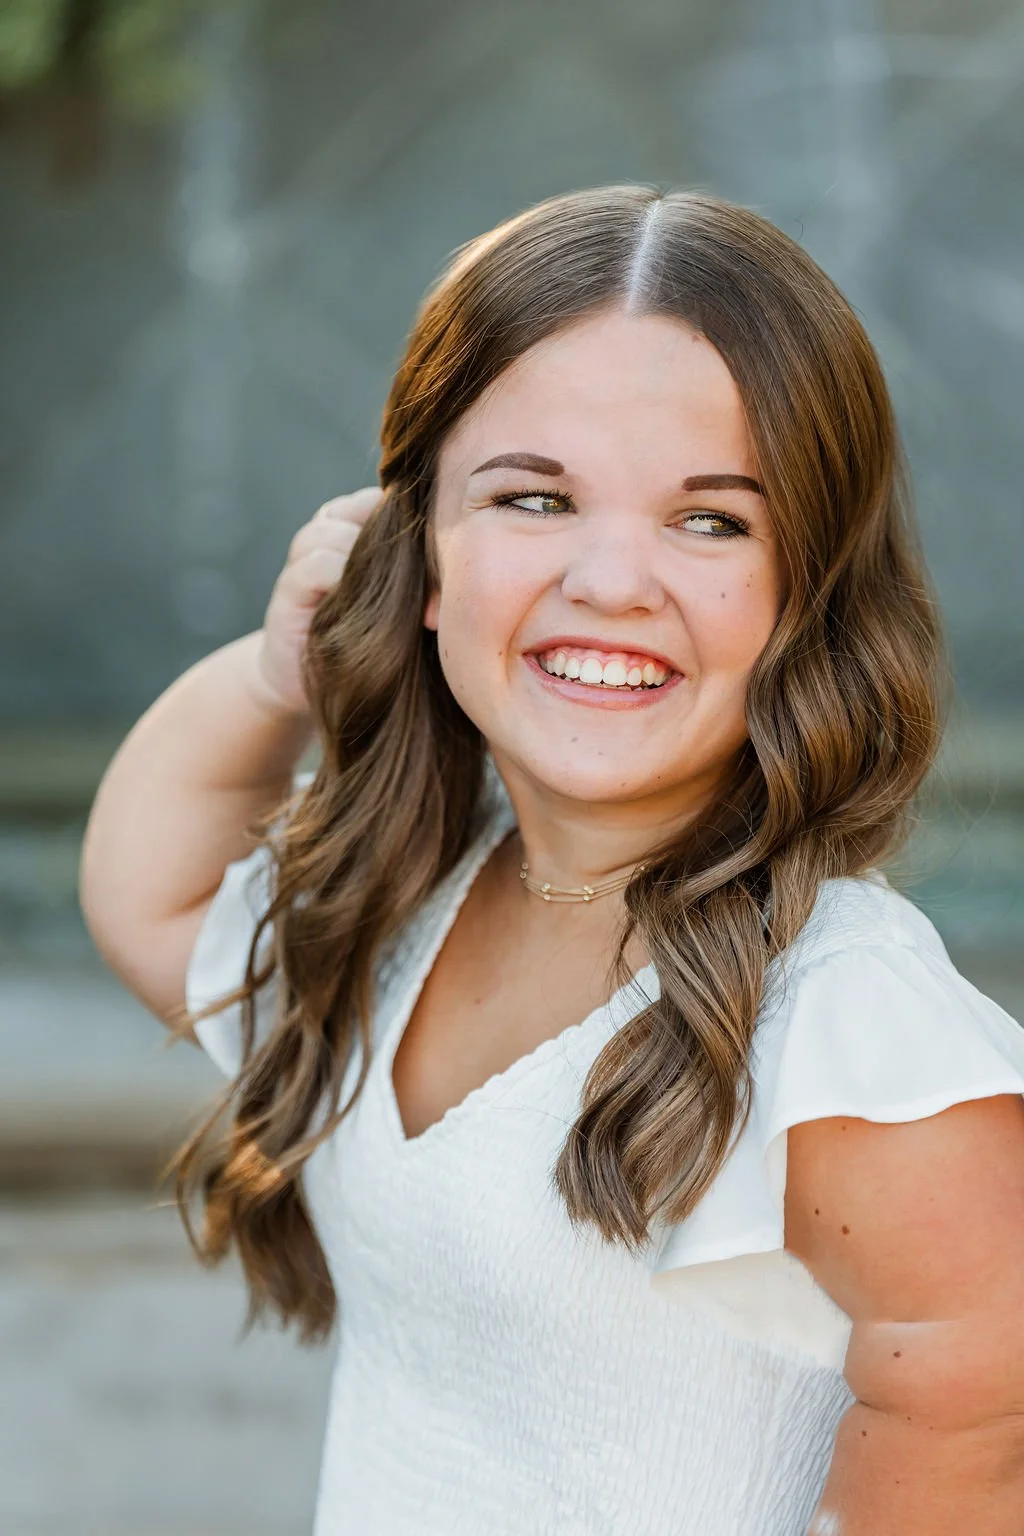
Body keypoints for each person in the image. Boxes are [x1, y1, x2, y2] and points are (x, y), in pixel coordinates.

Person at [80, 185, 1024, 1536]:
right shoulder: (413, 902)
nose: (612, 579)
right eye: (534, 498)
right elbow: (150, 897)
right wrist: (279, 670)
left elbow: (985, 1398)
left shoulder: (842, 1020)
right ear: (418, 552)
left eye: (712, 521)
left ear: (808, 589)